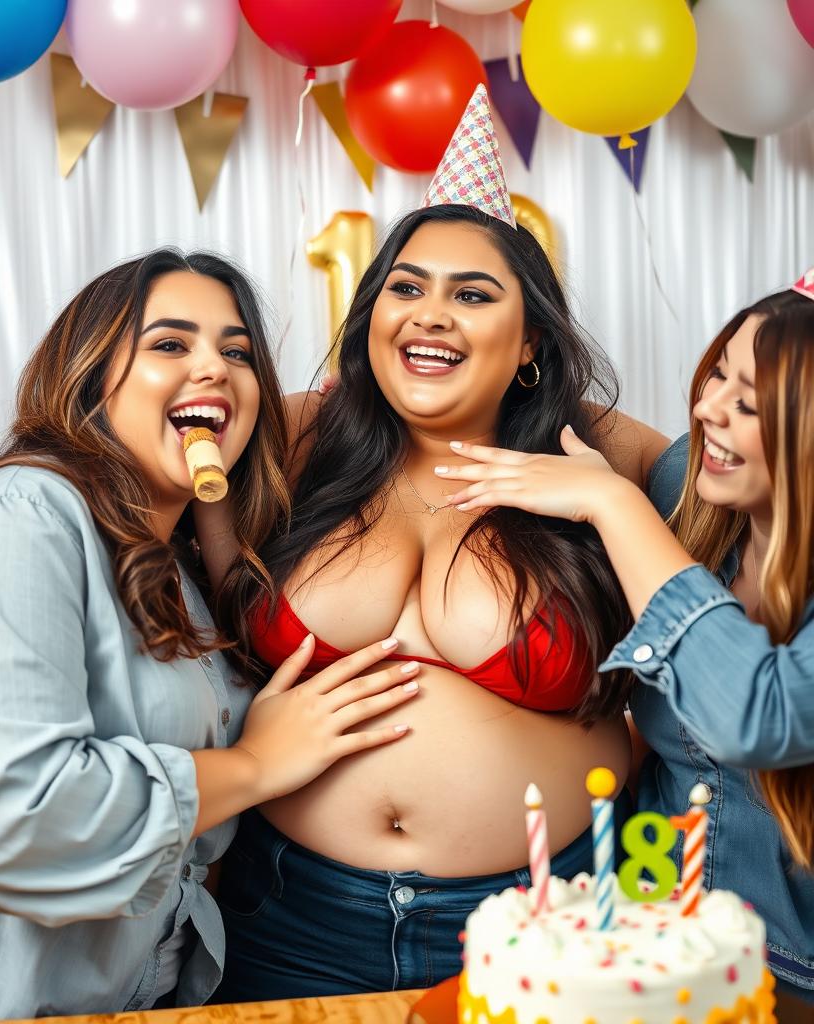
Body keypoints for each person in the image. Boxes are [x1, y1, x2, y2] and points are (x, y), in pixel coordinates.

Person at [0, 250, 420, 1023]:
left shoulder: (169, 563)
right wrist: (254, 764)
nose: (214, 369)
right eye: (169, 344)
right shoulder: (22, 512)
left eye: (236, 352)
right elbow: (12, 818)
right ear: (92, 381)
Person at [214, 88, 668, 1000]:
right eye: (406, 289)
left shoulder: (593, 466)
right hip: (289, 907)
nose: (429, 313)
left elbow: (746, 474)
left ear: (530, 342)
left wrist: (597, 481)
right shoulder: (296, 444)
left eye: (472, 294)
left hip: (549, 913)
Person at [438, 278, 814, 1007]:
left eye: (749, 404)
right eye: (717, 375)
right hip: (645, 939)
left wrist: (613, 502)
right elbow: (559, 420)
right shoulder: (688, 485)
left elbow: (755, 716)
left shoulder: (644, 507)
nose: (706, 411)